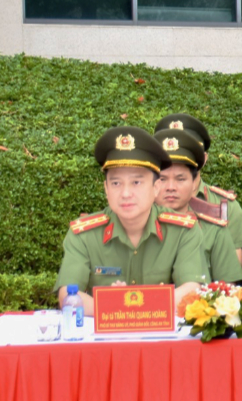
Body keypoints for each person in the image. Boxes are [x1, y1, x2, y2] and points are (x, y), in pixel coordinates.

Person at [55, 126, 206, 316]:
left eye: (136, 182)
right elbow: (68, 296)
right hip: (104, 334)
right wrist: (116, 306)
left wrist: (125, 303)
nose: (126, 193)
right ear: (106, 189)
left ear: (156, 187)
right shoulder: (84, 234)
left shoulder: (183, 230)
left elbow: (192, 290)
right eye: (116, 183)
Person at [154, 113, 242, 263]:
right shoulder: (140, 203)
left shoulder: (226, 207)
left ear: (204, 159)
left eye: (188, 153)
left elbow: (232, 271)